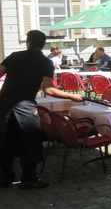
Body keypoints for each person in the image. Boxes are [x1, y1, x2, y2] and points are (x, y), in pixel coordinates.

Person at [0, 30, 85, 189]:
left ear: (28, 42)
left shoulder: (14, 56)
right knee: (30, 142)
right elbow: (49, 90)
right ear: (43, 44)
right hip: (25, 107)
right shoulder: (45, 62)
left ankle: (5, 178)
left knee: (5, 141)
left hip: (4, 105)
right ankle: (28, 179)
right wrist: (71, 96)